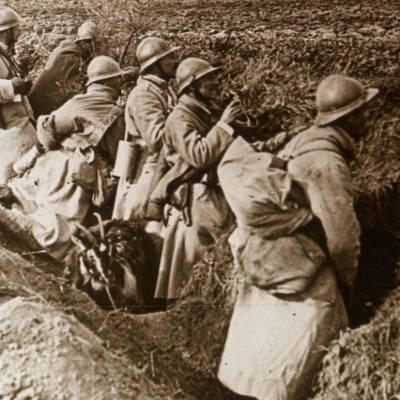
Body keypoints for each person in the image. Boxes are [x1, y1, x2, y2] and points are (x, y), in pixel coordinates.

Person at [217, 74, 379, 400]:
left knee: (254, 365)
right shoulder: (328, 162)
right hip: (307, 277)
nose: (367, 117)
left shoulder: (304, 140)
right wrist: (347, 283)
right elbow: (342, 239)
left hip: (272, 263)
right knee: (292, 371)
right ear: (346, 117)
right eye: (362, 111)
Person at [0, 56, 129, 260]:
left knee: (29, 198)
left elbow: (47, 131)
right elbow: (117, 158)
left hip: (52, 162)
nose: (121, 83)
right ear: (107, 82)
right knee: (56, 228)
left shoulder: (77, 101)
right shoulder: (116, 115)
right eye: (117, 78)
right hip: (77, 173)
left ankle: (11, 214)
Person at [153, 57, 242, 301]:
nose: (215, 83)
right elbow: (199, 154)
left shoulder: (203, 111)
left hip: (210, 197)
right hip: (195, 200)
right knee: (193, 270)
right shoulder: (180, 118)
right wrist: (224, 125)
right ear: (192, 87)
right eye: (207, 79)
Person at [114, 37, 179, 227]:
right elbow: (156, 139)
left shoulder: (161, 90)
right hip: (146, 172)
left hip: (160, 166)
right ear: (155, 65)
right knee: (142, 227)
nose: (175, 61)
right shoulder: (145, 94)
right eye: (169, 58)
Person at [28, 21, 98, 119]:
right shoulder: (71, 58)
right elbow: (83, 89)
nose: (96, 49)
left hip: (40, 110)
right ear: (82, 42)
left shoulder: (68, 51)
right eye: (93, 44)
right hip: (38, 115)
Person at [0, 6, 37, 184]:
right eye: (17, 28)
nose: (19, 32)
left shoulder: (6, 54)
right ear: (7, 31)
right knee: (8, 179)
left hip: (18, 126)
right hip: (7, 130)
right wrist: (12, 86)